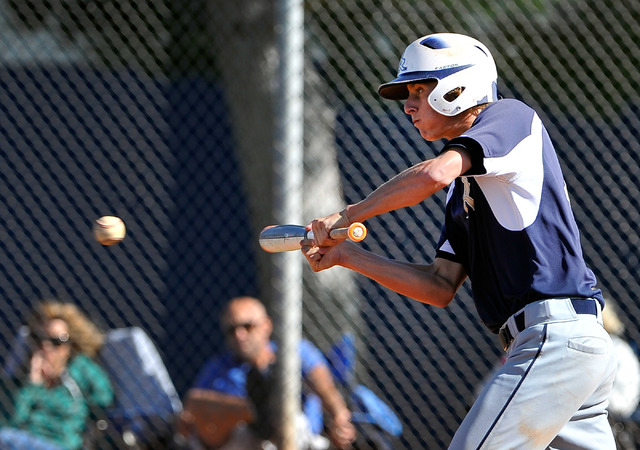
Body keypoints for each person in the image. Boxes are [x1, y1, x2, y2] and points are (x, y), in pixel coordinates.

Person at [301, 32, 616, 449]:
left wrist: (348, 214)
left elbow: (432, 174)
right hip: (559, 343)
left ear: (459, 87)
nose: (409, 104)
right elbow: (438, 285)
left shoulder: (509, 117)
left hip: (554, 338)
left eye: (419, 89)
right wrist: (348, 255)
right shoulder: (463, 187)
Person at [180, 296, 356, 450]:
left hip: (294, 435)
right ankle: (256, 411)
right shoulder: (218, 367)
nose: (239, 335)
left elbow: (323, 383)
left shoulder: (293, 351)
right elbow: (192, 411)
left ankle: (266, 413)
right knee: (198, 403)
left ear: (266, 326)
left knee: (286, 415)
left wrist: (339, 415)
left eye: (247, 326)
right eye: (231, 330)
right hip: (241, 440)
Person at [0, 300, 114, 450]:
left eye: (56, 341)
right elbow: (10, 421)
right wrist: (31, 385)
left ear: (69, 346)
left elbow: (105, 399)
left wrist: (63, 377)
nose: (46, 347)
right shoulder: (18, 379)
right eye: (38, 339)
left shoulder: (80, 370)